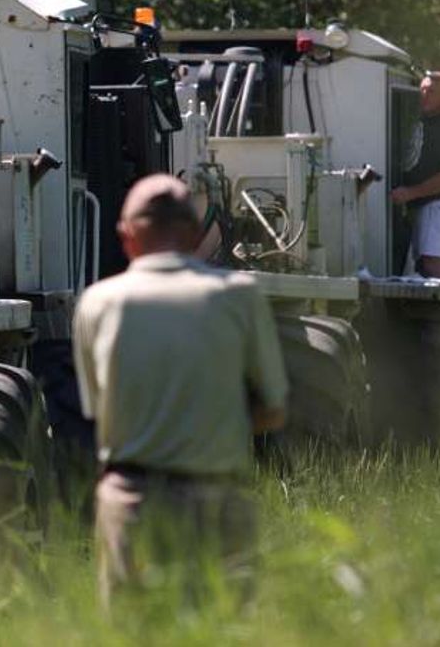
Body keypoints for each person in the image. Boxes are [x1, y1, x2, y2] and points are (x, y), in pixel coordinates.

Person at [72, 174, 288, 609]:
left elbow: (99, 411)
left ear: (126, 236)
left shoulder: (96, 302)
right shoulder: (241, 296)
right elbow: (273, 409)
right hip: (217, 501)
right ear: (195, 235)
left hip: (130, 503)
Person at [390, 71, 440, 278]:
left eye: (432, 92)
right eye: (423, 90)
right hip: (424, 203)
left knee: (433, 266)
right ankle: (428, 311)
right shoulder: (424, 118)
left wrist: (410, 193)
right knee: (420, 269)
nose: (424, 95)